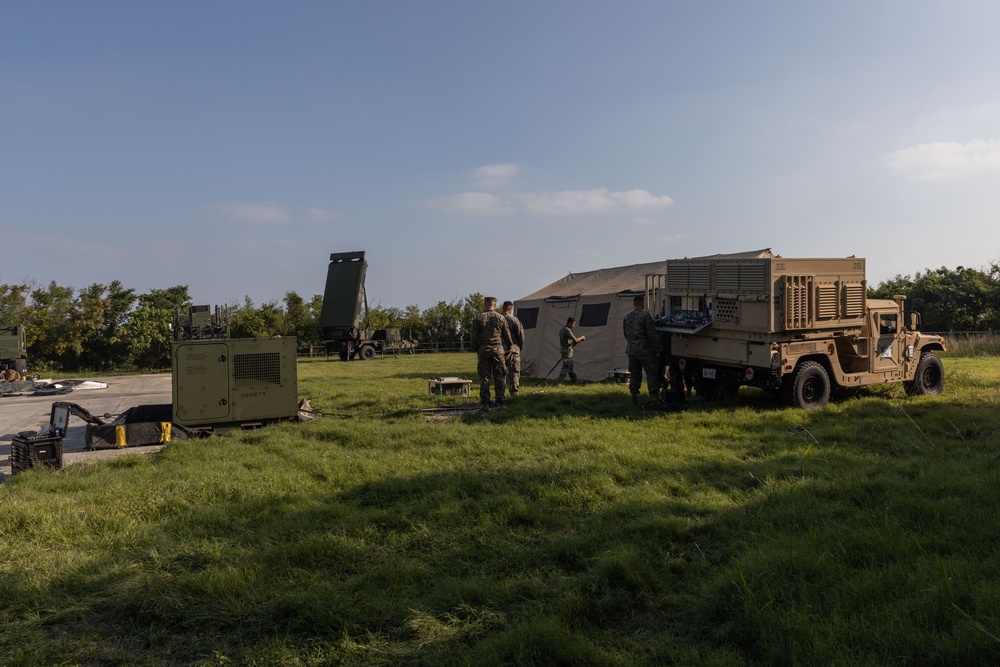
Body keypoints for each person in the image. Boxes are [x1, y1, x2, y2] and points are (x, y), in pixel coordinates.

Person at [469, 296, 513, 411]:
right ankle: (501, 403)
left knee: (484, 378)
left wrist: (477, 349)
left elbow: (473, 337)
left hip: (483, 351)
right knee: (499, 377)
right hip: (498, 351)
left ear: (485, 305)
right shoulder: (500, 318)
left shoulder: (478, 318)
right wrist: (509, 348)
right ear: (494, 305)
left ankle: (485, 404)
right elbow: (507, 335)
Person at [623, 295, 664, 406]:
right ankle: (654, 398)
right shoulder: (645, 316)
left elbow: (626, 334)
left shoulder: (627, 317)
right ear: (643, 303)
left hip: (631, 351)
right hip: (645, 351)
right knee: (651, 373)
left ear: (634, 303)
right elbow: (651, 335)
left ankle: (633, 397)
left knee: (635, 374)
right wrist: (657, 349)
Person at [501, 301, 525, 395]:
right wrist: (519, 347)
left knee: (500, 372)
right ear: (510, 309)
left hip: (500, 349)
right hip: (513, 349)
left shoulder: (498, 319)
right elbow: (521, 336)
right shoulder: (514, 320)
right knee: (514, 372)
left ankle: (500, 392)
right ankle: (514, 392)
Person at [555, 317, 585, 383]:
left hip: (564, 350)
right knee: (565, 368)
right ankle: (558, 382)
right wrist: (582, 338)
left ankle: (574, 381)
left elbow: (569, 341)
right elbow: (576, 340)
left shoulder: (562, 329)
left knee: (570, 367)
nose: (573, 326)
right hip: (567, 352)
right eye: (573, 324)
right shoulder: (567, 330)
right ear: (569, 323)